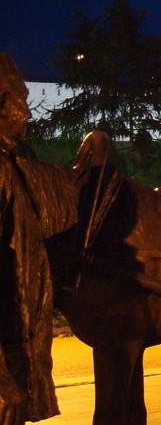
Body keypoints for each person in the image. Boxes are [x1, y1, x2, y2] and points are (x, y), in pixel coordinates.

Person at [0, 54, 78, 424]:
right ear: (2, 103)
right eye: (24, 103)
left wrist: (91, 155)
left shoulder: (12, 168)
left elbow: (54, 194)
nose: (29, 115)